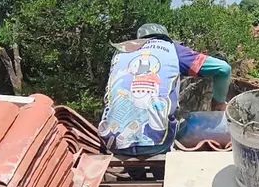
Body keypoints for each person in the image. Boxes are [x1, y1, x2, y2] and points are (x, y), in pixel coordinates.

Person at [98, 23, 232, 156]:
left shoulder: (121, 53)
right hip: (158, 143)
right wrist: (218, 104)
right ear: (164, 38)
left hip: (112, 142)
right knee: (192, 123)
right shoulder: (172, 49)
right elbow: (223, 69)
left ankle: (137, 172)